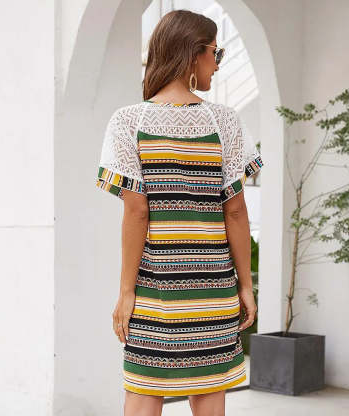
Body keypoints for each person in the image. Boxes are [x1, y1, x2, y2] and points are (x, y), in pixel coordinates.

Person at [95, 9, 263, 416]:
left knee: (143, 395)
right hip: (213, 292)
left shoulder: (128, 122)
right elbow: (236, 212)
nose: (217, 65)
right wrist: (245, 286)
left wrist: (127, 293)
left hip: (155, 293)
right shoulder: (225, 122)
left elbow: (137, 214)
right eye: (215, 53)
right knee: (209, 398)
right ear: (193, 53)